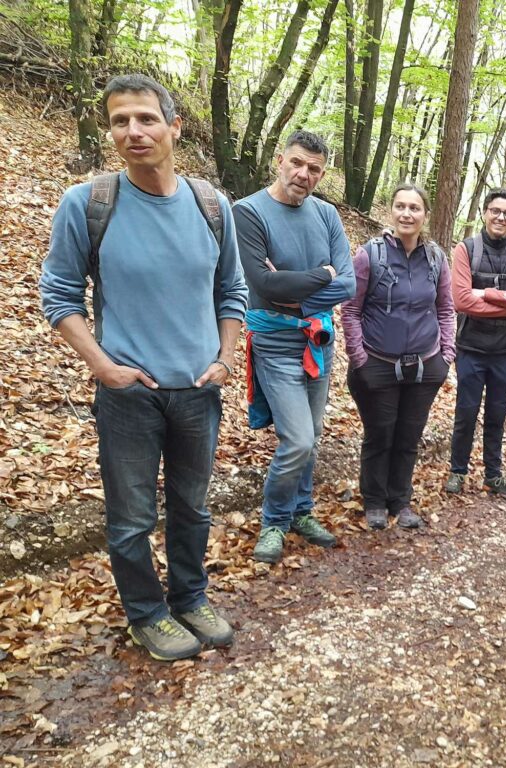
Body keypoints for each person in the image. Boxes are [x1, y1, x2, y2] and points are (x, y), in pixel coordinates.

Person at [39, 74, 247, 661]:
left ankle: (190, 596)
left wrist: (225, 359)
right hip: (129, 393)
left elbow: (232, 289)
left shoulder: (211, 206)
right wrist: (103, 366)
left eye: (146, 118)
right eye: (120, 120)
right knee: (131, 517)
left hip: (198, 391)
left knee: (193, 506)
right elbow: (58, 293)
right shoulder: (89, 204)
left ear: (174, 127)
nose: (133, 131)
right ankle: (148, 614)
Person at [234, 130, 354, 564]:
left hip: (319, 339)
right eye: (297, 163)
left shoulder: (326, 215)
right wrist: (323, 274)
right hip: (275, 338)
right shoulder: (248, 212)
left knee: (313, 435)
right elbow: (262, 285)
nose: (304, 174)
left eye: (314, 169)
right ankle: (273, 521)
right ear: (280, 160)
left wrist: (300, 288)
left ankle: (301, 511)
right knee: (298, 438)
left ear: (322, 174)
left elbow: (350, 283)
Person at [341, 184, 455, 530]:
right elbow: (351, 309)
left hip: (424, 364)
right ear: (391, 211)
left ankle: (401, 501)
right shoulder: (369, 255)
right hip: (378, 363)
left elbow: (446, 309)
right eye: (401, 206)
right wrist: (359, 357)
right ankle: (375, 501)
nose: (407, 214)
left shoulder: (436, 258)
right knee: (380, 433)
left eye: (415, 208)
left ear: (425, 215)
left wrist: (447, 355)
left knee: (408, 435)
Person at [444, 189, 506, 500]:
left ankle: (493, 475)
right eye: (495, 210)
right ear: (485, 212)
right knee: (466, 412)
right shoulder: (466, 249)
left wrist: (485, 294)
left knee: (497, 414)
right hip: (471, 347)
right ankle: (457, 472)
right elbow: (460, 300)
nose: (500, 217)